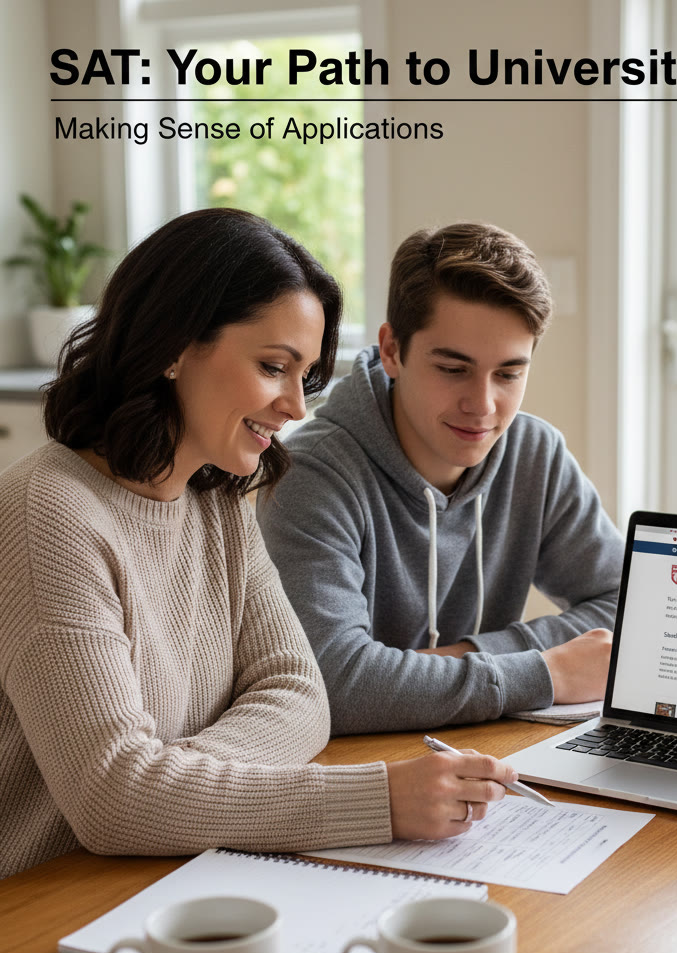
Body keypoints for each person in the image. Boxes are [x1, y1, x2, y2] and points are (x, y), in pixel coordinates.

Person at [0, 208, 514, 881]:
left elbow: (302, 695)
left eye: (306, 376)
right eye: (275, 366)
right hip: (52, 905)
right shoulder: (50, 514)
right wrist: (378, 800)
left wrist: (173, 781)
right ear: (174, 346)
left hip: (176, 871)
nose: (297, 406)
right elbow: (113, 800)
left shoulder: (215, 498)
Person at [257, 222, 624, 735]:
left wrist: (463, 657)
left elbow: (626, 608)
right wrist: (549, 672)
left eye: (509, 374)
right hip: (362, 771)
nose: (483, 405)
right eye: (453, 369)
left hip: (483, 750)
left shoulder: (533, 453)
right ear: (391, 350)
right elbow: (332, 684)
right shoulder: (311, 476)